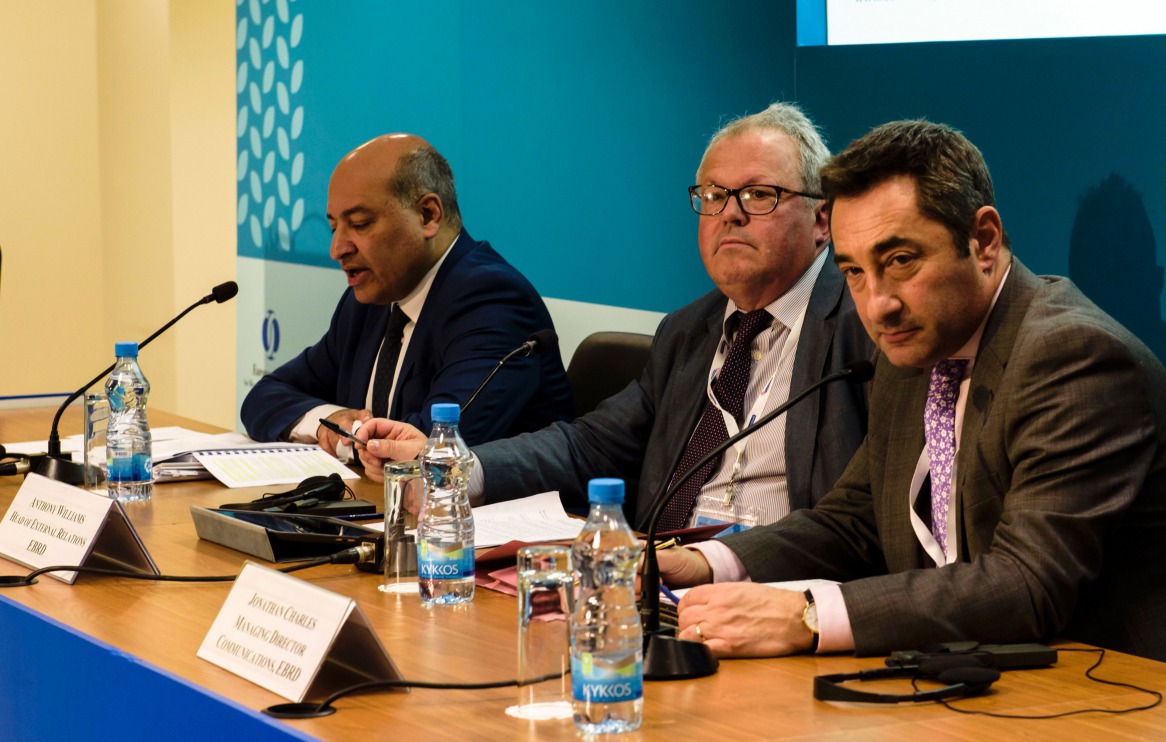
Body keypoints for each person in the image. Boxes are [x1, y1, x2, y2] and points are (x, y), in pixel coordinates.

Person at [660, 120, 1166, 669]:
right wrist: (704, 562)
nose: (878, 304)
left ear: (983, 241)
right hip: (982, 678)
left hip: (1129, 691)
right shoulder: (915, 348)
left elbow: (1026, 582)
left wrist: (805, 615)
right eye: (854, 271)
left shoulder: (1074, 357)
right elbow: (855, 519)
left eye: (900, 261)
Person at [354, 103, 874, 531]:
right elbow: (589, 446)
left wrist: (721, 567)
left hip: (775, 596)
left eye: (759, 195)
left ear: (822, 219)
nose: (729, 213)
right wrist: (457, 466)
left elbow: (859, 521)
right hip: (658, 588)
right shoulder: (689, 330)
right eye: (713, 196)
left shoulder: (862, 329)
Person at [240, 133, 575, 454]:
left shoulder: (492, 300)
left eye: (359, 223)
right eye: (333, 227)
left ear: (428, 215)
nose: (337, 248)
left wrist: (350, 437)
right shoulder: (370, 300)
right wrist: (326, 423)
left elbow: (432, 445)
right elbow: (265, 396)